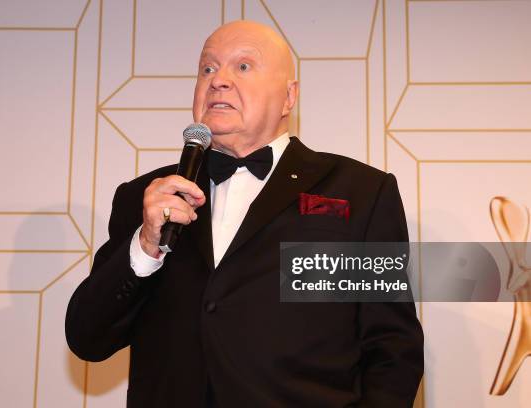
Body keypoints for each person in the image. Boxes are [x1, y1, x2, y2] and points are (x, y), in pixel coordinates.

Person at [66, 20, 424, 407]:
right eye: (207, 68)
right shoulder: (147, 197)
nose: (218, 80)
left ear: (289, 97)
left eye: (243, 66)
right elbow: (88, 338)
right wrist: (145, 245)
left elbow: (392, 347)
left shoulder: (360, 191)